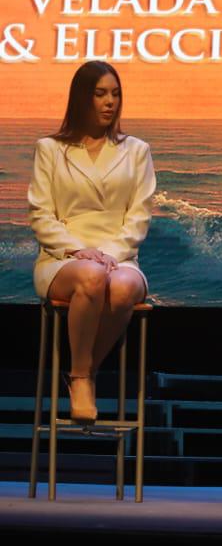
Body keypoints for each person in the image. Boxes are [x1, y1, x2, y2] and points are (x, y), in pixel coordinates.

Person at [28, 61, 155, 424]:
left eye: (115, 94)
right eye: (100, 94)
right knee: (90, 276)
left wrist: (111, 254)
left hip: (120, 257)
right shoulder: (50, 149)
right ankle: (82, 378)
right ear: (81, 98)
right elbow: (41, 214)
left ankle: (83, 370)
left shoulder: (136, 150)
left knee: (124, 285)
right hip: (62, 256)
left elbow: (139, 215)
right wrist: (75, 248)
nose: (109, 102)